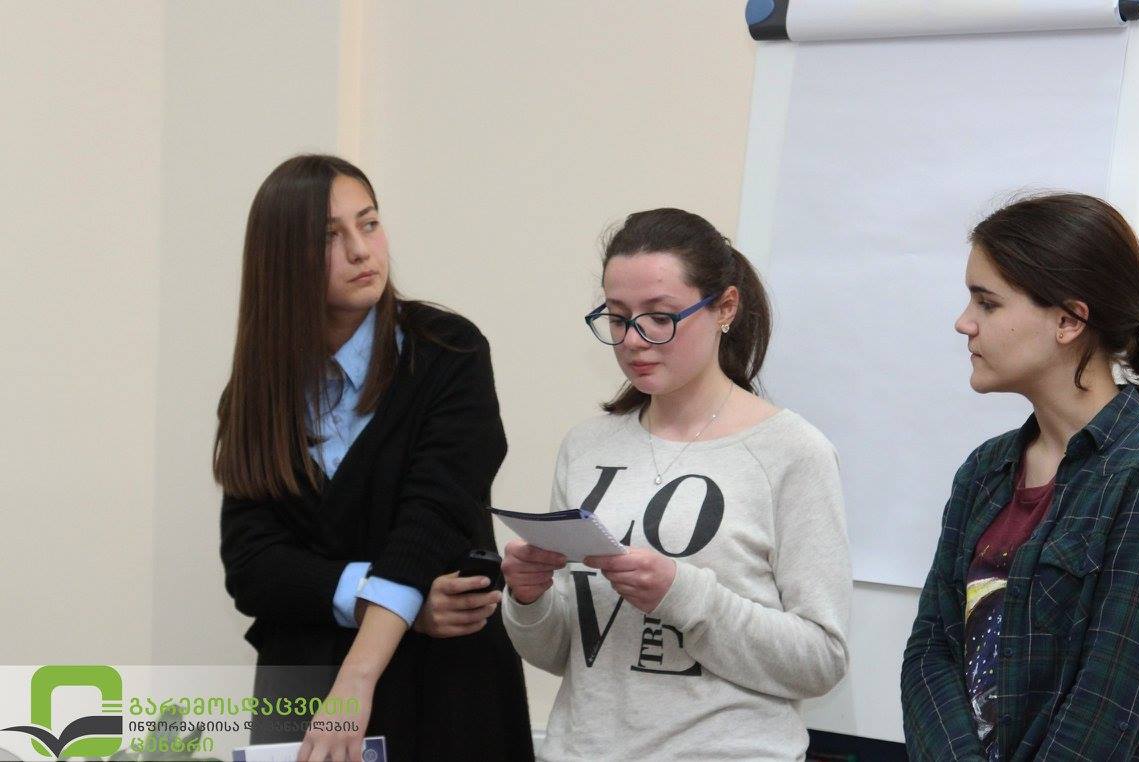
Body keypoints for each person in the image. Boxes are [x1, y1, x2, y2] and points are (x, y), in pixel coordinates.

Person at [500, 208, 851, 760]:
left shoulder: (792, 452)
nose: (633, 340)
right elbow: (563, 652)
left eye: (659, 317)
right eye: (618, 318)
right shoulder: (586, 447)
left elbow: (820, 660)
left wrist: (683, 596)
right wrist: (529, 597)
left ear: (725, 308)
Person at [215, 154, 533, 761]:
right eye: (329, 236)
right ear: (281, 259)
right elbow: (253, 566)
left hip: (444, 690)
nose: (361, 251)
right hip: (302, 688)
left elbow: (431, 519)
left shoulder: (448, 352)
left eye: (369, 223)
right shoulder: (255, 394)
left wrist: (357, 677)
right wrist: (393, 603)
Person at [901, 193, 1139, 761]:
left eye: (987, 303)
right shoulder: (984, 471)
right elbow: (930, 652)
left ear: (1069, 321)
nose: (964, 322)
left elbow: (1109, 707)